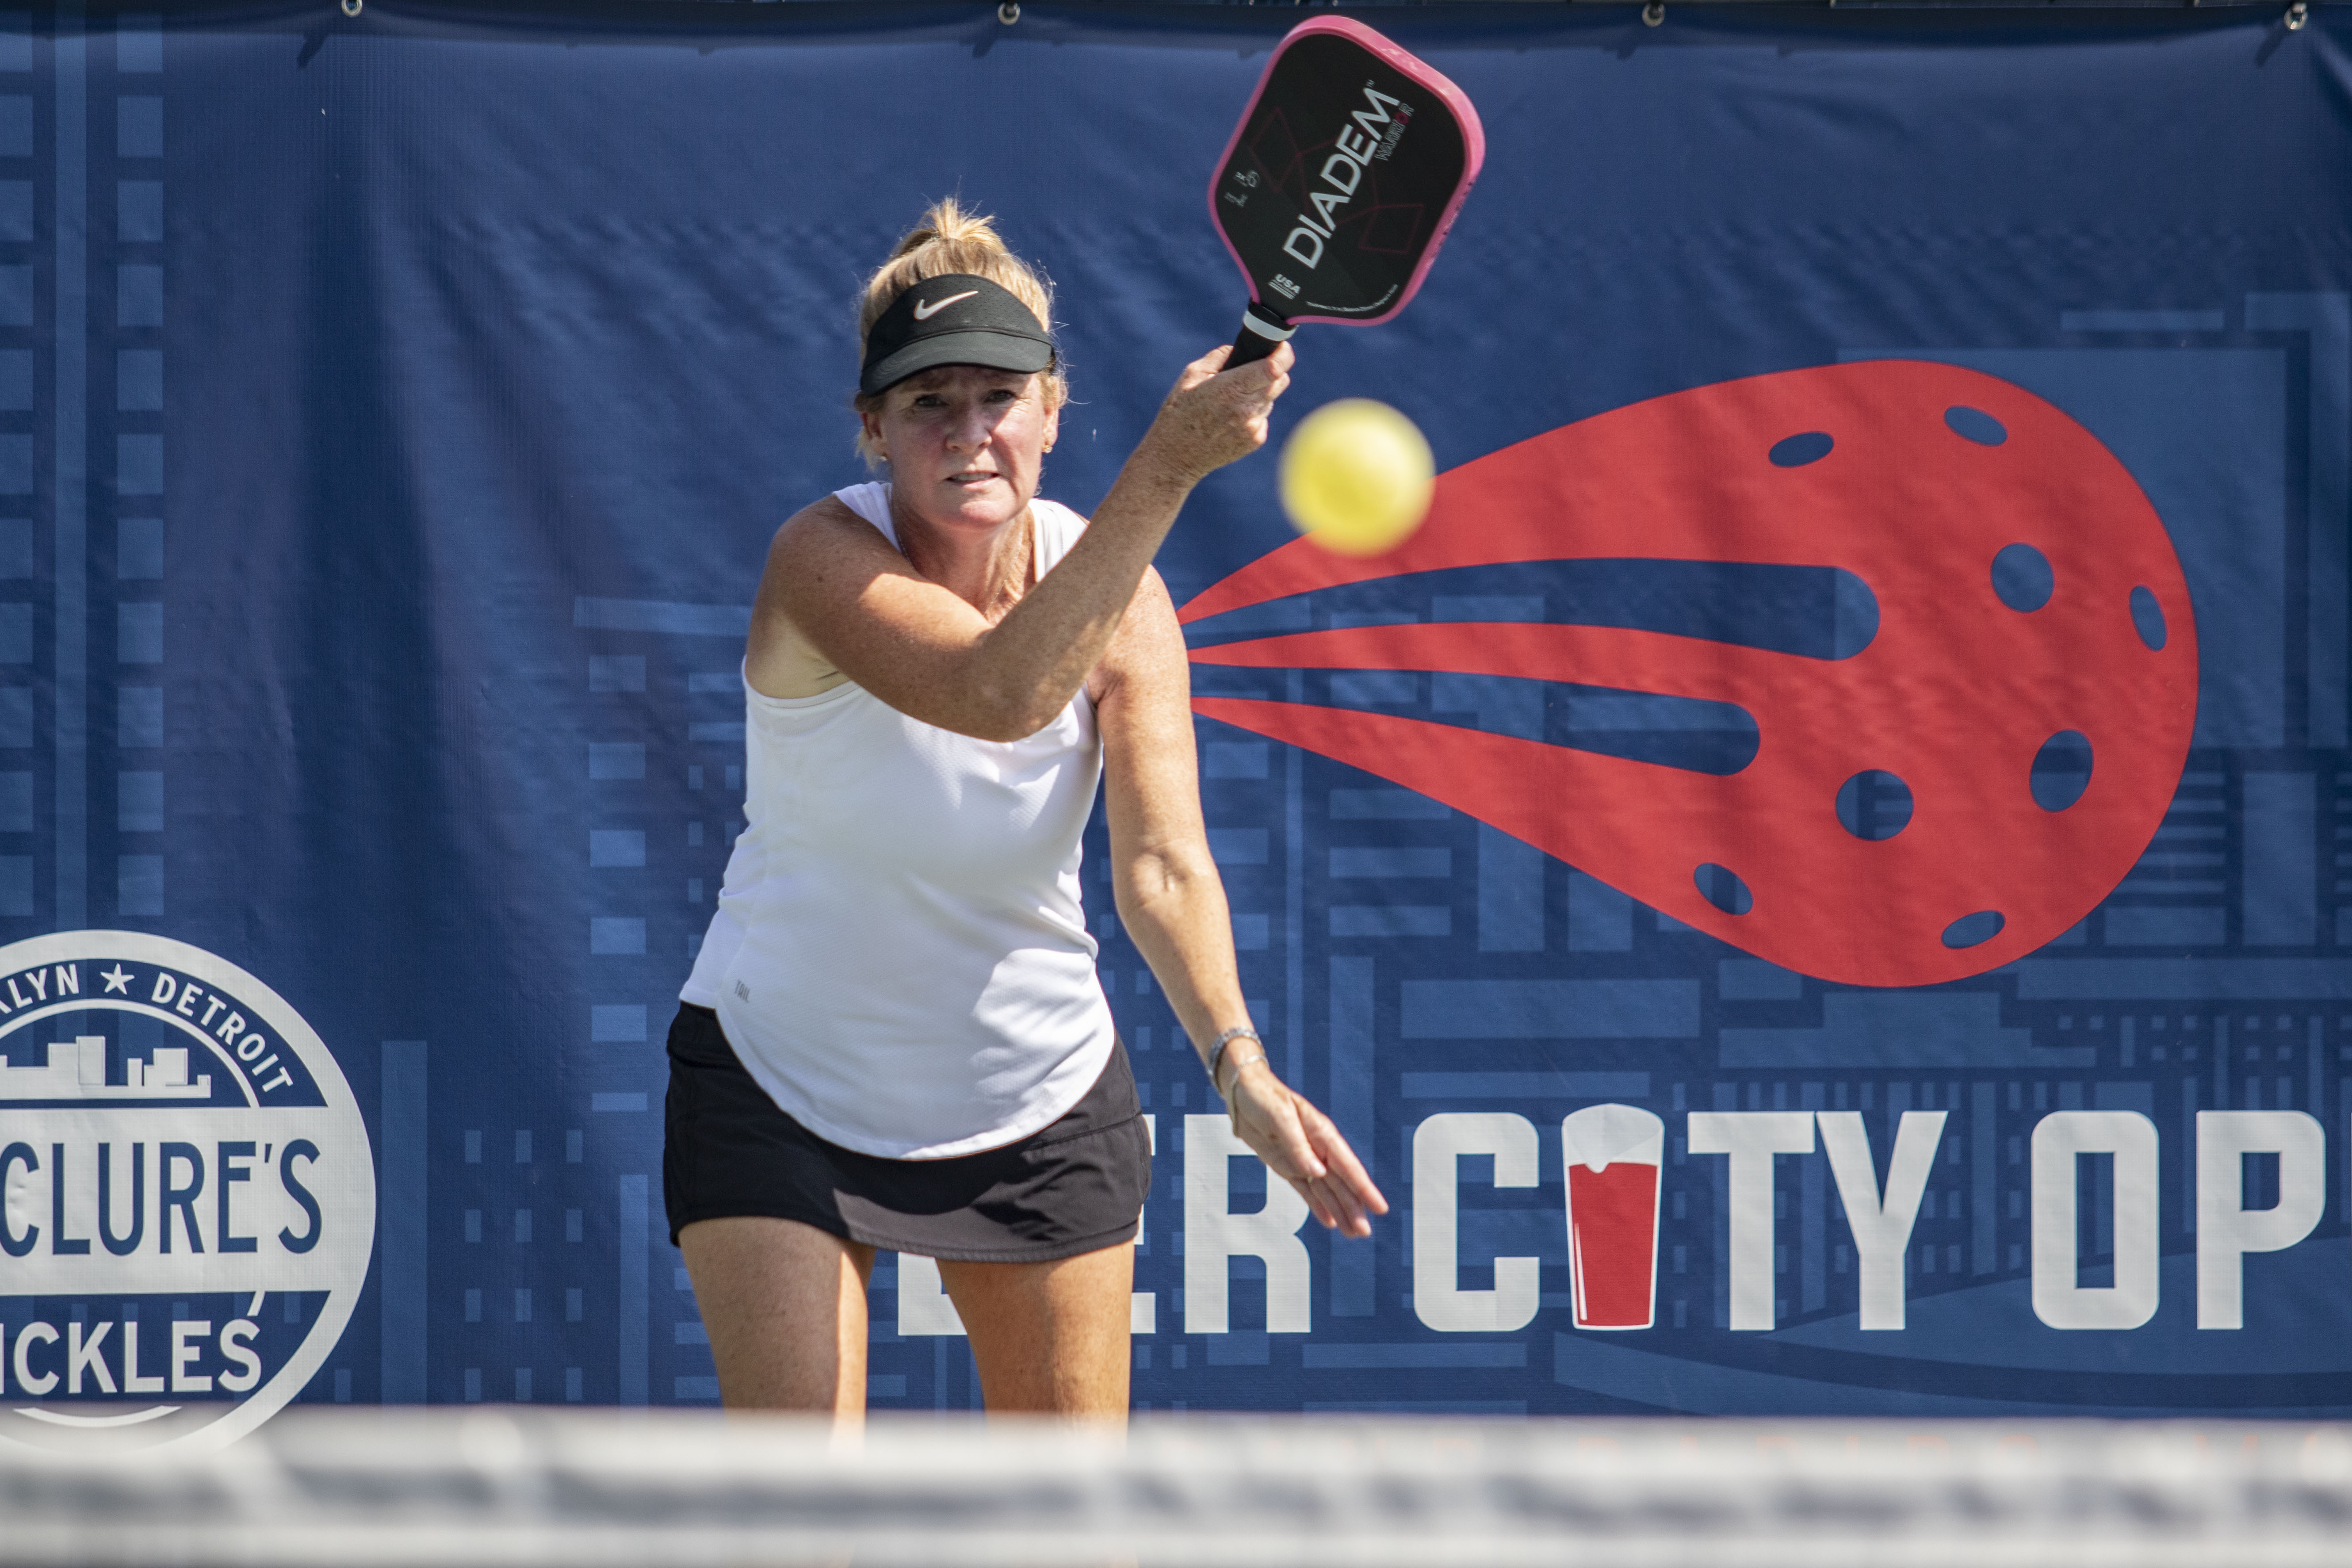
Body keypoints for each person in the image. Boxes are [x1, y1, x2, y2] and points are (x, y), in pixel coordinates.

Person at [663, 200, 1387, 1420]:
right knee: (790, 1534)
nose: (969, 433)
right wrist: (1165, 466)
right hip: (781, 1084)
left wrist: (1237, 1058)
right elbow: (995, 692)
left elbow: (1161, 864)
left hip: (1036, 1098)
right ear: (874, 429)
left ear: (1052, 410)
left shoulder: (1127, 600)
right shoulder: (820, 557)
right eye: (928, 402)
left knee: (1063, 1538)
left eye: (999, 397)